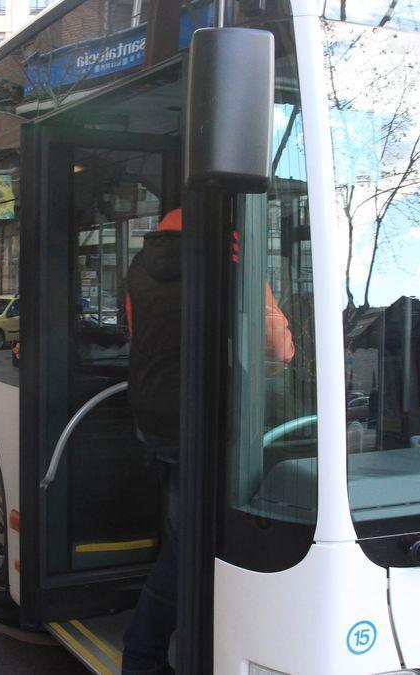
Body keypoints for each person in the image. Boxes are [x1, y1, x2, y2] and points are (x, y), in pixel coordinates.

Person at [121, 208, 293, 674]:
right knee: (186, 548)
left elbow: (139, 335)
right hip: (195, 426)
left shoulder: (140, 265)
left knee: (183, 532)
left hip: (150, 417)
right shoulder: (235, 252)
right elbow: (278, 350)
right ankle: (141, 659)